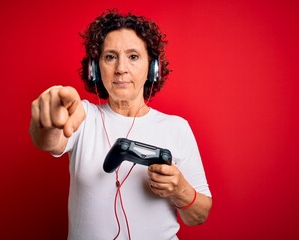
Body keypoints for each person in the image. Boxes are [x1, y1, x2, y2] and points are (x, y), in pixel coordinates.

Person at [30, 9, 212, 240]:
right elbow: (48, 139)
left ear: (152, 68)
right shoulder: (83, 115)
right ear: (95, 69)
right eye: (110, 57)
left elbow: (199, 216)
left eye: (133, 56)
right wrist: (46, 121)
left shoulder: (177, 128)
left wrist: (181, 191)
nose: (121, 69)